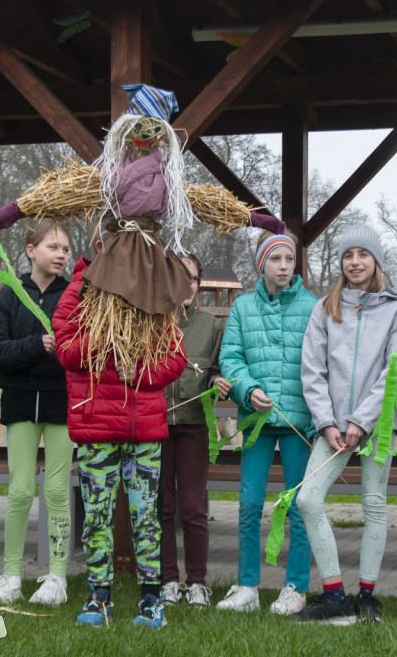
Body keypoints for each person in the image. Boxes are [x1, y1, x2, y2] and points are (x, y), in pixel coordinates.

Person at [54, 226, 187, 629]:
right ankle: (99, 595)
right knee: (96, 514)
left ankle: (151, 598)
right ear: (101, 246)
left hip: (143, 429)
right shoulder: (78, 291)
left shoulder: (154, 292)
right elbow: (64, 349)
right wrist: (99, 341)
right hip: (96, 426)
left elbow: (176, 356)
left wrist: (141, 373)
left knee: (147, 515)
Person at [295, 223, 397, 625]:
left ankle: (366, 596)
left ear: (375, 259)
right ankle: (334, 596)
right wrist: (327, 422)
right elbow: (312, 370)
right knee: (308, 498)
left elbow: (392, 371)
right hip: (332, 426)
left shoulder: (396, 311)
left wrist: (362, 420)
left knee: (373, 504)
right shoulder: (326, 307)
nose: (355, 261)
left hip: (377, 426)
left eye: (362, 254)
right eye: (348, 255)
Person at [215, 233, 317, 615]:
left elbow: (321, 361)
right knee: (250, 502)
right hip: (257, 421)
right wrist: (247, 388)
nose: (284, 265)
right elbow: (232, 356)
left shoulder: (313, 307)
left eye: (289, 258)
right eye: (275, 258)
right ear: (262, 264)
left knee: (298, 504)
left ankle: (295, 587)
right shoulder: (242, 307)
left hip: (298, 422)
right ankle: (247, 586)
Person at [0, 222, 73, 606]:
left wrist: (59, 352)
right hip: (19, 401)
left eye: (66, 248)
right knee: (19, 490)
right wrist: (36, 346)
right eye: (53, 246)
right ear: (30, 250)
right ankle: (12, 575)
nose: (61, 254)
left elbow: (82, 352)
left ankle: (56, 577)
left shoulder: (76, 296)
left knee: (55, 490)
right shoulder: (7, 297)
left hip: (61, 403)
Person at [160, 253, 230, 608]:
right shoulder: (150, 322)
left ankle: (197, 582)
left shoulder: (211, 325)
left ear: (198, 284)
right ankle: (168, 580)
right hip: (155, 427)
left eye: (192, 278)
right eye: (178, 276)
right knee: (163, 506)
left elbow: (217, 368)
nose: (186, 284)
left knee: (192, 507)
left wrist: (218, 380)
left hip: (193, 427)